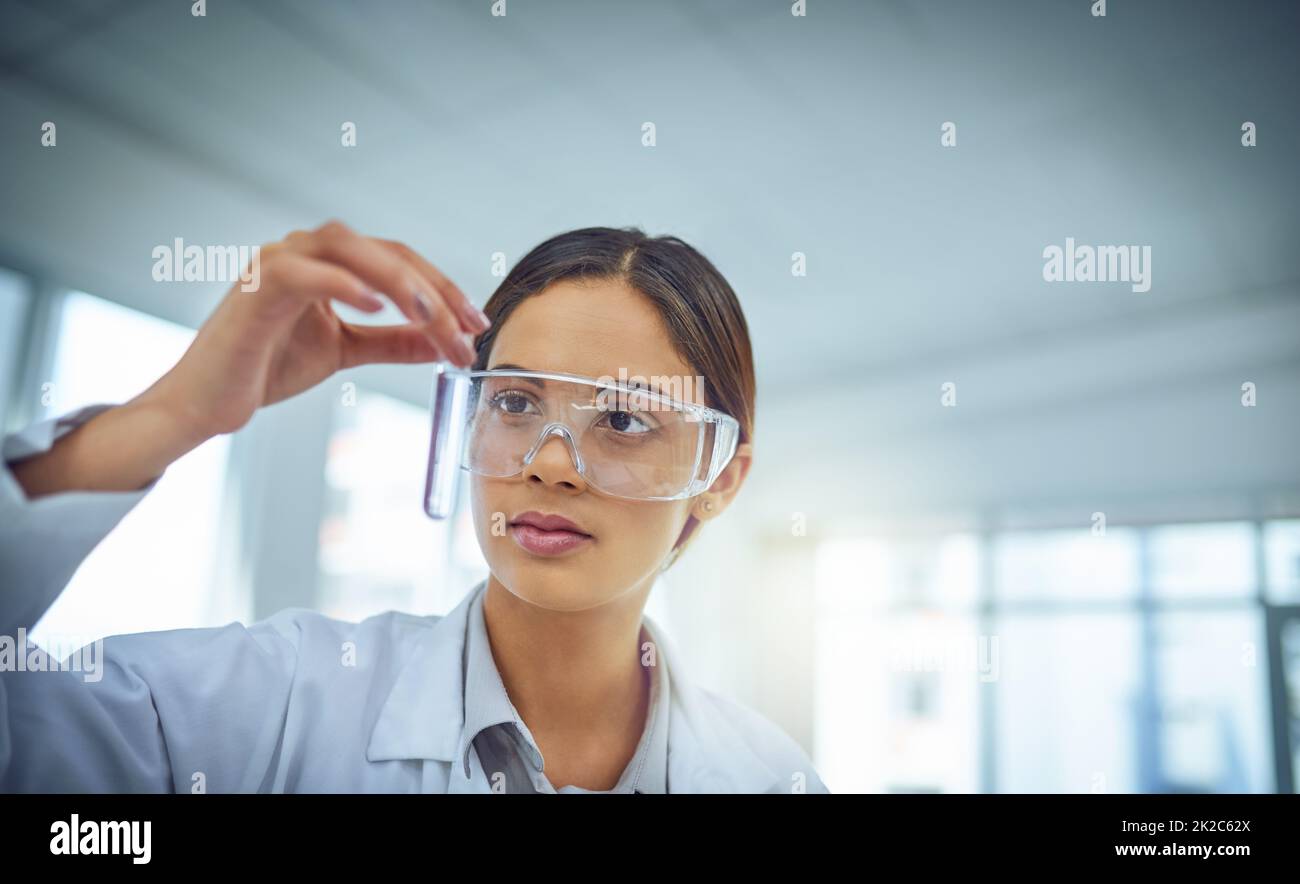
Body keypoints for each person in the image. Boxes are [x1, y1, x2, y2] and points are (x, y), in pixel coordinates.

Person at [0, 221, 829, 794]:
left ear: (720, 477)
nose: (549, 465)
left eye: (621, 419)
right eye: (513, 405)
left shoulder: (769, 777)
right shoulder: (273, 702)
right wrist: (169, 415)